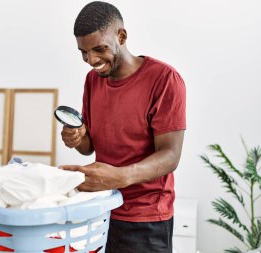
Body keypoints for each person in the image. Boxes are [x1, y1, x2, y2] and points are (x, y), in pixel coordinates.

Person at [60, 1, 186, 252]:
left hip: (146, 220)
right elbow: (89, 147)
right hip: (102, 210)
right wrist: (78, 138)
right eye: (83, 52)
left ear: (122, 36)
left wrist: (120, 177)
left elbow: (170, 156)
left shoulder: (164, 79)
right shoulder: (92, 81)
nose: (91, 60)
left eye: (99, 49)